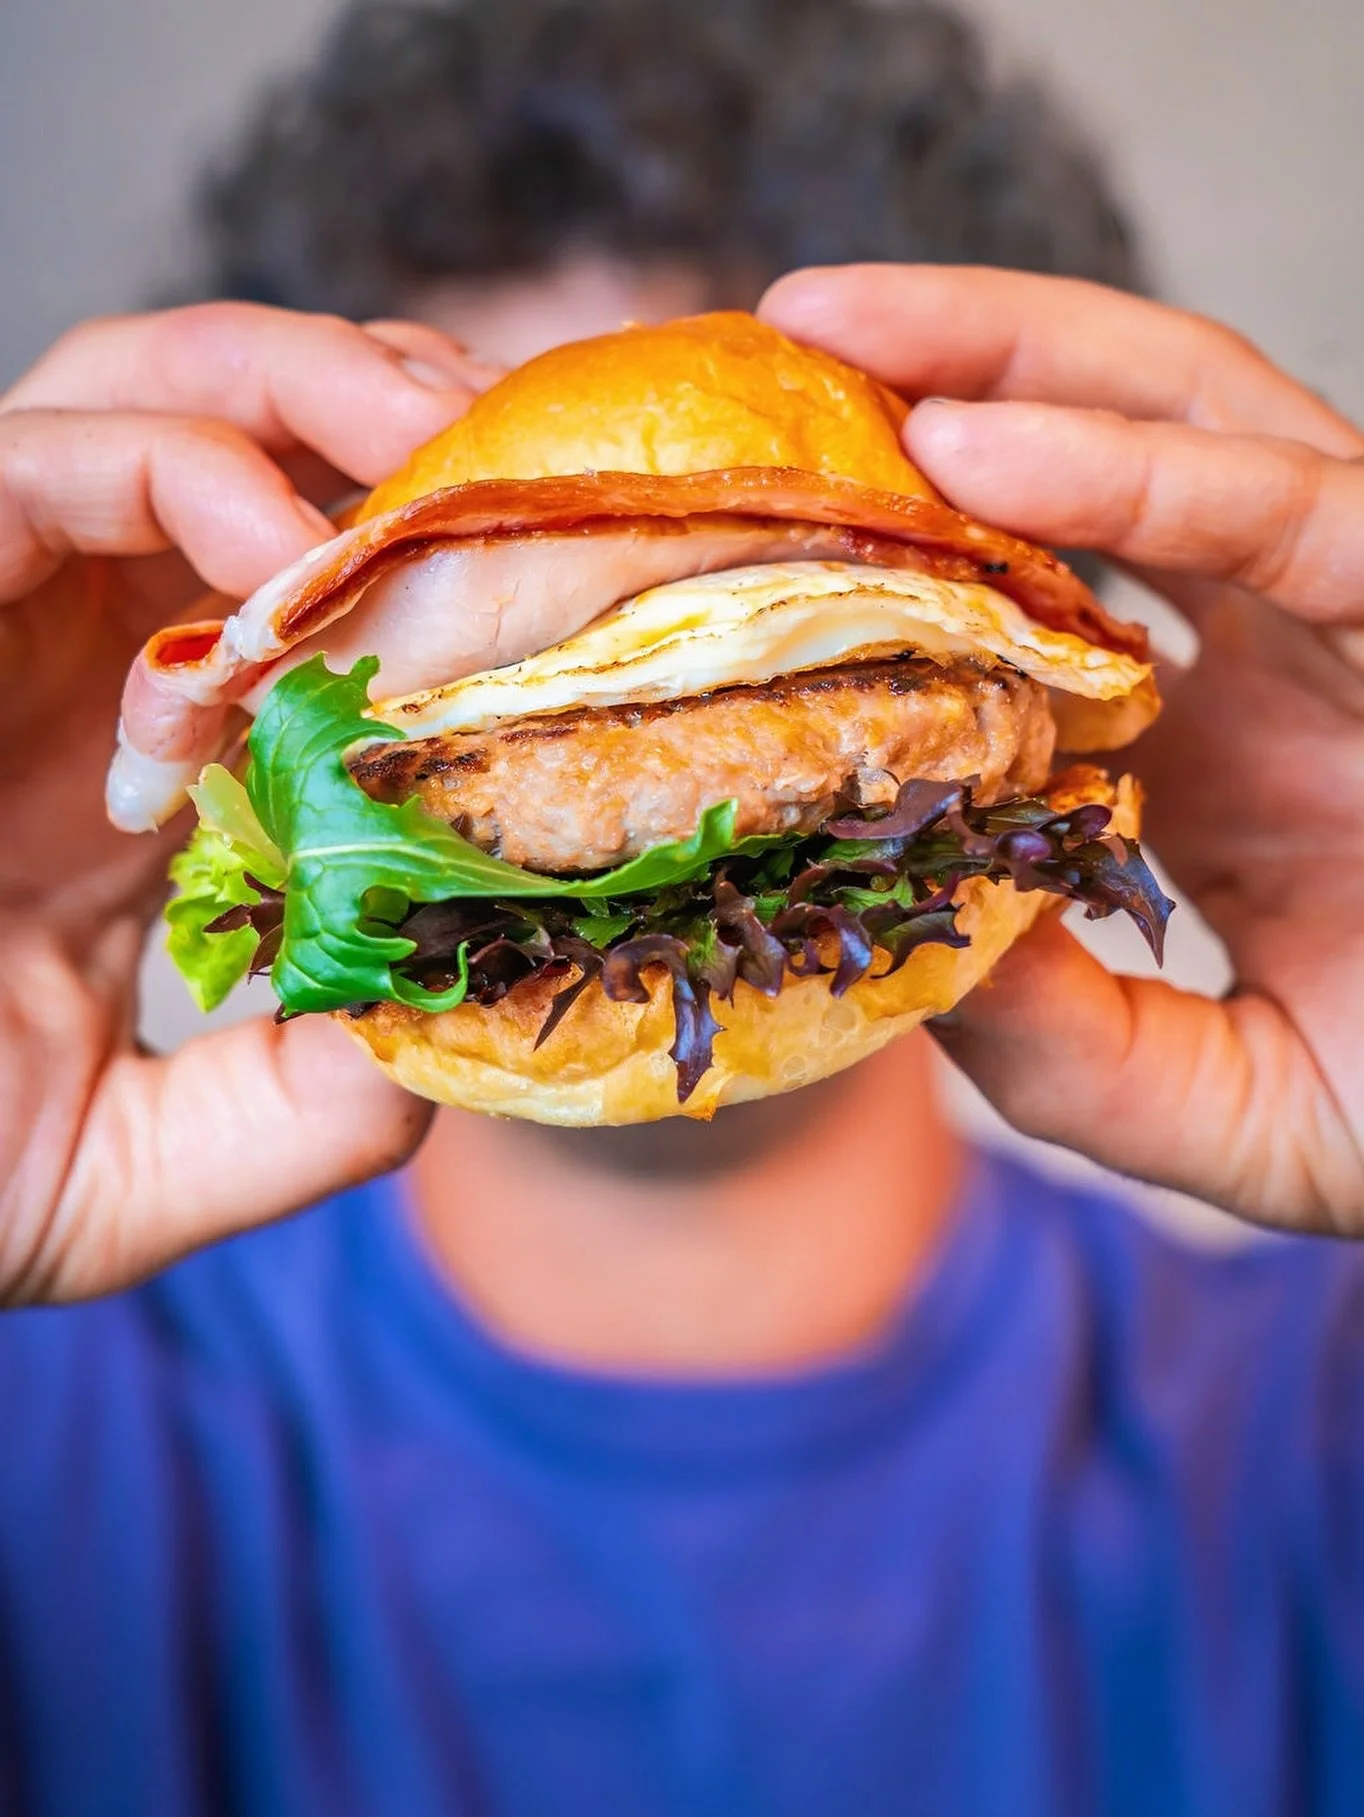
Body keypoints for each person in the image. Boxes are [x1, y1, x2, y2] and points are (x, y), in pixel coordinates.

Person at [0, 2, 1362, 1812]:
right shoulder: (58, 1464)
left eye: (714, 600)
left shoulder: (1303, 1444)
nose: (619, 675)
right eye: (517, 625)